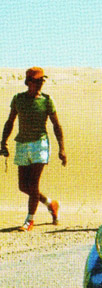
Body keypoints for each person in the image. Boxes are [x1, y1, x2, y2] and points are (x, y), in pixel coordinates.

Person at [1, 67, 66, 231]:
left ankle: (30, 219)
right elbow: (10, 121)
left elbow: (56, 125)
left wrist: (62, 148)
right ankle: (51, 203)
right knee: (23, 186)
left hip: (40, 144)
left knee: (33, 184)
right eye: (37, 80)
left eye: (42, 80)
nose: (40, 84)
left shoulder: (46, 100)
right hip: (22, 143)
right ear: (28, 81)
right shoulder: (18, 99)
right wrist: (3, 142)